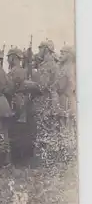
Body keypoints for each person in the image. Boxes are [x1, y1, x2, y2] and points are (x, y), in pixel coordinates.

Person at [6, 47, 38, 167]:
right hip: (24, 104)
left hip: (17, 104)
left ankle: (19, 162)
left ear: (13, 58)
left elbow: (10, 88)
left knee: (16, 134)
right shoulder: (24, 71)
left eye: (9, 57)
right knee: (24, 133)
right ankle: (24, 160)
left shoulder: (15, 71)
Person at [33, 40, 61, 168]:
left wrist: (30, 85)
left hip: (46, 100)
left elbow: (42, 86)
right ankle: (53, 161)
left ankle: (45, 163)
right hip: (54, 99)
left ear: (45, 50)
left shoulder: (45, 65)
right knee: (52, 129)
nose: (38, 51)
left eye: (40, 48)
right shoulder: (55, 64)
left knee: (44, 130)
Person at [56, 44, 77, 163]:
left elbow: (60, 86)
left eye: (63, 53)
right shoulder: (73, 67)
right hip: (71, 99)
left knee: (65, 128)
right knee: (69, 128)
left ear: (69, 55)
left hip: (65, 99)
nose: (61, 55)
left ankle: (67, 157)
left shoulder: (66, 69)